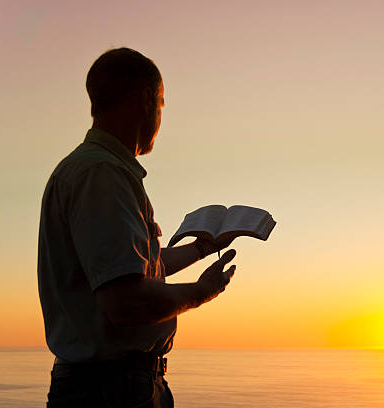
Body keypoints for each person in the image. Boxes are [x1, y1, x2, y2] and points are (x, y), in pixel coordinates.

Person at [37, 48, 236, 407]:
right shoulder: (102, 174)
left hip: (116, 384)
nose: (161, 115)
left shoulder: (96, 169)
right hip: (110, 391)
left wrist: (202, 248)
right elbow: (124, 302)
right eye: (161, 103)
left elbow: (132, 269)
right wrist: (201, 292)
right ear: (144, 98)